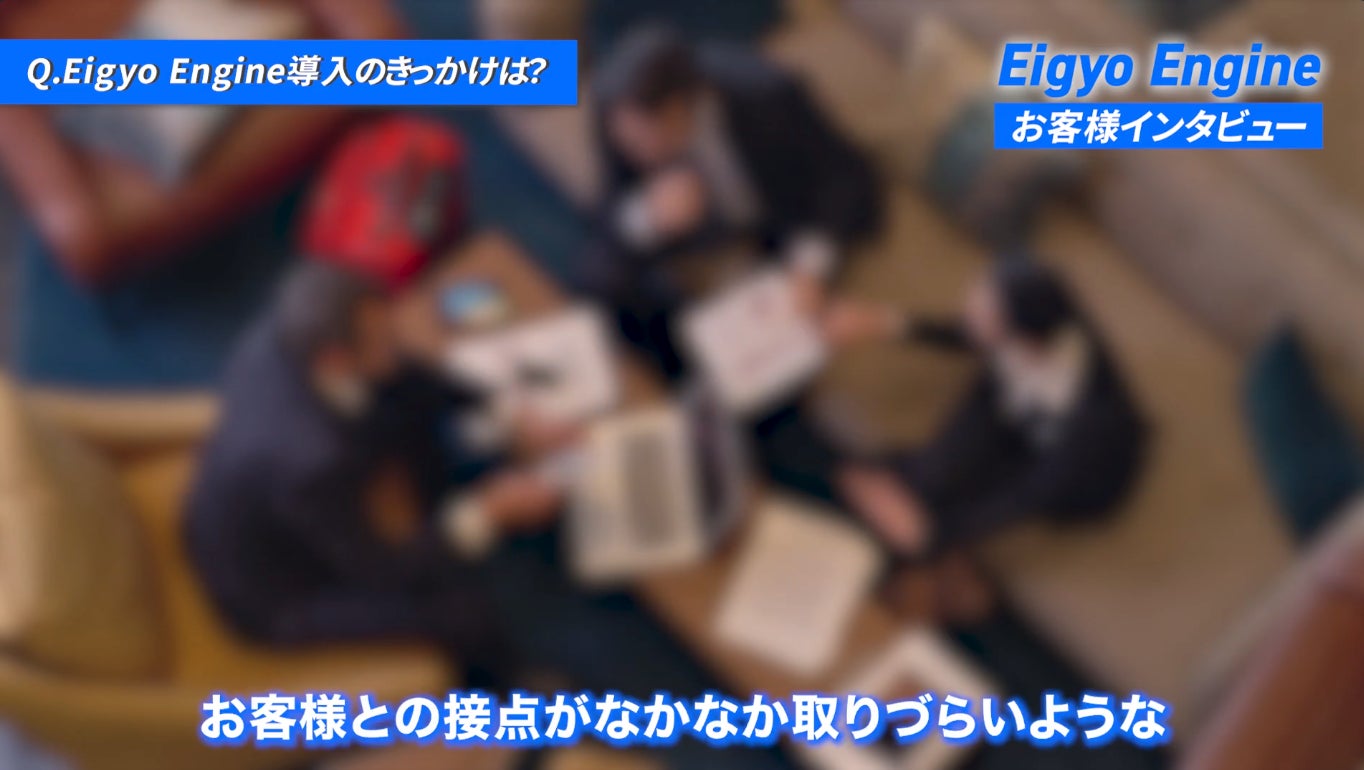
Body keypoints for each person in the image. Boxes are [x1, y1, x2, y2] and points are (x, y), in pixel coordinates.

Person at [185, 261, 796, 769]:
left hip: (264, 504)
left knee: (413, 415)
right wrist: (485, 514)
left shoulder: (285, 338)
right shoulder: (312, 461)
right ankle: (509, 692)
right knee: (460, 608)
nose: (397, 341)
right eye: (381, 340)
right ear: (334, 360)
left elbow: (410, 376)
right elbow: (382, 570)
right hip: (278, 591)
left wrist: (507, 416)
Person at [585, 25, 883, 377]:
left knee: (776, 359)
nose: (632, 154)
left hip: (776, 231)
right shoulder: (616, 115)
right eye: (625, 141)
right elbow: (610, 204)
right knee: (602, 276)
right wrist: (647, 214)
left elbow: (848, 178)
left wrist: (809, 265)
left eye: (640, 142)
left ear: (677, 110)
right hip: (692, 240)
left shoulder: (770, 96)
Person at [825, 258, 1148, 556]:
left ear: (1027, 341)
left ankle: (916, 518)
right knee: (939, 466)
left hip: (1066, 461)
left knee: (950, 505)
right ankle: (898, 482)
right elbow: (969, 334)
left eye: (983, 312)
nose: (969, 310)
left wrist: (935, 536)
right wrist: (885, 322)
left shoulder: (1092, 421)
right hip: (1017, 402)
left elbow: (1029, 495)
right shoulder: (1038, 325)